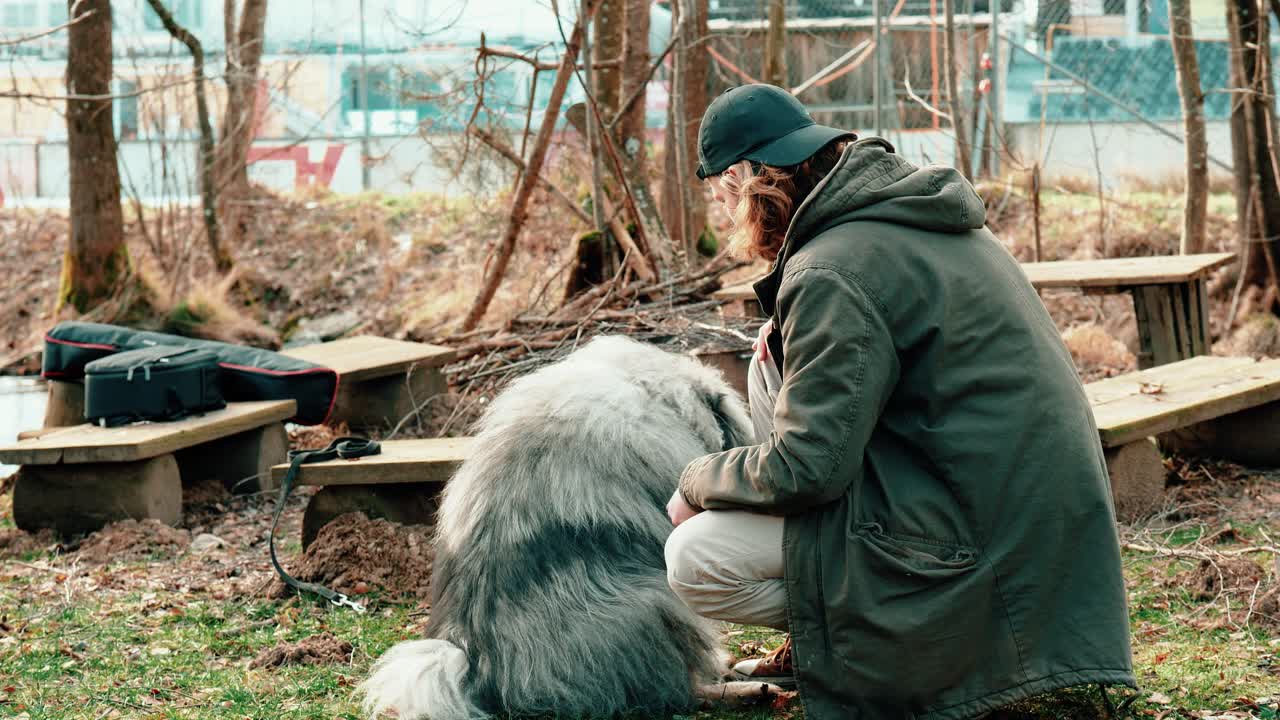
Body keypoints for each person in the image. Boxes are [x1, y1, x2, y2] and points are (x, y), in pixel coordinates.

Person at [663, 84, 1135, 719]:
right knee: (770, 362)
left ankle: (844, 642)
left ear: (750, 181)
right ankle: (823, 636)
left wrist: (696, 482)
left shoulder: (830, 270)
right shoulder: (901, 211)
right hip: (1019, 520)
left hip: (978, 547)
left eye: (722, 196)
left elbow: (807, 469)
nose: (725, 216)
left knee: (695, 557)